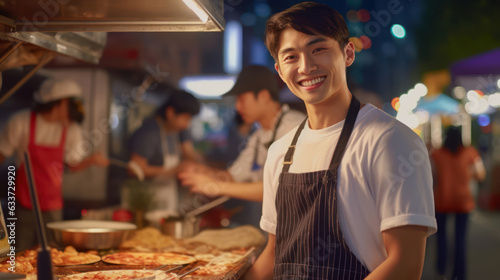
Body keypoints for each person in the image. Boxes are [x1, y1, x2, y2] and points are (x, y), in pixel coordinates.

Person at [245, 2, 437, 279]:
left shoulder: (390, 140)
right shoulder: (279, 152)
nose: (306, 66)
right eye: (291, 57)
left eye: (318, 49)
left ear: (348, 53)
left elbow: (405, 265)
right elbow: (274, 253)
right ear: (279, 70)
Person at [0, 78, 110, 251]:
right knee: (19, 252)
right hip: (22, 203)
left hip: (53, 205)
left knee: (52, 252)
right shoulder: (21, 122)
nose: (76, 108)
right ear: (60, 103)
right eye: (72, 103)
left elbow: (71, 165)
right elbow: (2, 153)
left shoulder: (71, 129)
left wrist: (90, 160)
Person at [178, 65, 305, 205]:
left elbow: (279, 188)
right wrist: (203, 171)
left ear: (263, 96)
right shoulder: (258, 136)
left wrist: (217, 186)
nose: (238, 107)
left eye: (242, 99)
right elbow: (234, 176)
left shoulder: (293, 127)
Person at [129, 89, 201, 215]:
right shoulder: (149, 132)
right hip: (145, 205)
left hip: (167, 203)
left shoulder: (173, 131)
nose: (187, 125)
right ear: (170, 113)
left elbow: (189, 152)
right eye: (185, 118)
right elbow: (134, 169)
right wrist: (172, 171)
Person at [431, 126, 485, 280]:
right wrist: (467, 172)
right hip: (464, 201)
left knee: (441, 238)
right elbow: (481, 174)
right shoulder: (470, 153)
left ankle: (441, 271)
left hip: (442, 200)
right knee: (460, 240)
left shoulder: (437, 154)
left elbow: (432, 176)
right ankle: (459, 275)